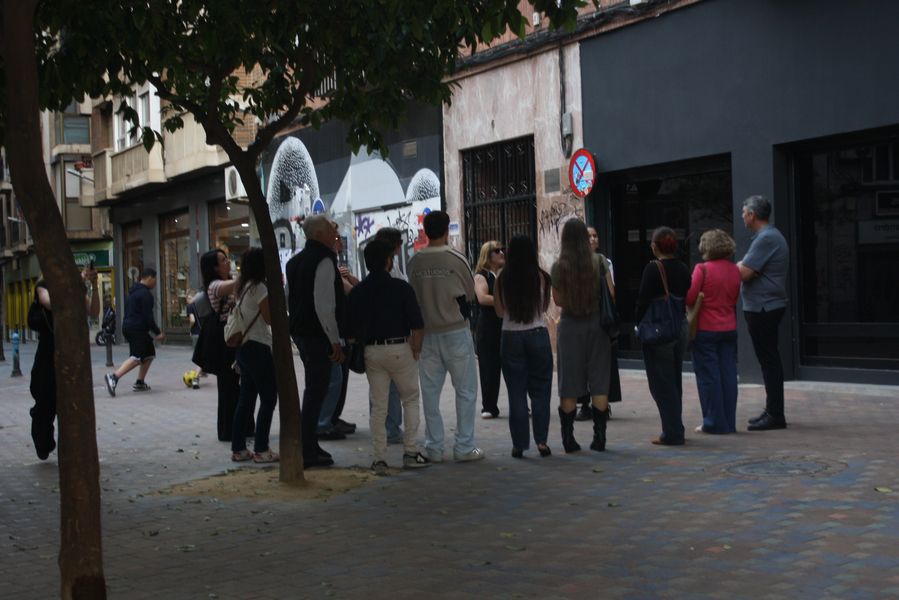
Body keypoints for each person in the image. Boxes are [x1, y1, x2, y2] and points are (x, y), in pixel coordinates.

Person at [346, 238, 431, 474]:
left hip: (372, 351)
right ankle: (411, 452)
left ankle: (379, 458)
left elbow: (349, 329)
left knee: (379, 405)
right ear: (388, 261)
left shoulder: (358, 291)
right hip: (400, 348)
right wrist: (416, 349)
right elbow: (417, 324)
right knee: (410, 399)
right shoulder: (402, 288)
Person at [407, 210, 484, 463]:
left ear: (426, 231)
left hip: (426, 334)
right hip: (455, 331)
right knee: (465, 391)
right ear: (446, 229)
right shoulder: (456, 259)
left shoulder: (414, 262)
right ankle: (464, 446)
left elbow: (412, 296)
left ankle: (434, 448)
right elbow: (470, 293)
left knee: (430, 394)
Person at [286, 215, 346, 469]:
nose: (335, 234)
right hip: (316, 333)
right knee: (316, 390)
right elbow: (324, 304)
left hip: (301, 331)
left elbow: (291, 297)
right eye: (331, 230)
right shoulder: (324, 259)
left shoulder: (295, 261)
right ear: (320, 234)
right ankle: (307, 449)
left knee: (314, 389)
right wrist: (334, 340)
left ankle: (308, 445)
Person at [551, 220, 614, 453]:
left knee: (568, 383)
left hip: (569, 325)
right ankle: (600, 438)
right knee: (599, 380)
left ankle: (568, 439)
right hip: (597, 324)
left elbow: (557, 300)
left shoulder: (558, 266)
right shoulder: (599, 261)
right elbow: (611, 293)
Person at [30, 267, 99, 460]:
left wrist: (93, 286)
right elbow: (52, 303)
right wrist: (76, 284)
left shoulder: (77, 288)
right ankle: (43, 442)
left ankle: (73, 448)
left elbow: (93, 312)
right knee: (45, 403)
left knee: (73, 404)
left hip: (73, 354)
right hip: (48, 353)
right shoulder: (43, 285)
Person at [494, 236, 553, 458]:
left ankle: (519, 444)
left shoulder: (502, 278)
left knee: (516, 393)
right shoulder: (542, 277)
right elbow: (544, 308)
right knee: (541, 391)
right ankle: (542, 441)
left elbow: (499, 312)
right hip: (538, 334)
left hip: (511, 336)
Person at [737, 195, 790, 432]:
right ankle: (772, 410)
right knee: (769, 360)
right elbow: (748, 268)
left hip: (763, 307)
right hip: (765, 306)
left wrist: (743, 266)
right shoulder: (767, 237)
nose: (742, 216)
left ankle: (775, 414)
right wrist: (745, 266)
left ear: (752, 215)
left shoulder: (766, 238)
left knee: (769, 360)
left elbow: (744, 273)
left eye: (744, 212)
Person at [636, 227, 690, 446]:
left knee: (661, 382)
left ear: (655, 246)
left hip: (660, 329)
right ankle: (676, 426)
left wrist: (638, 324)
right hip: (680, 326)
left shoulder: (653, 268)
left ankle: (672, 431)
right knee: (674, 378)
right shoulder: (683, 267)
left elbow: (643, 299)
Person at [194, 249, 253, 441]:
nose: (228, 262)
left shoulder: (228, 282)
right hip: (225, 340)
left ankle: (243, 426)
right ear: (214, 267)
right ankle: (229, 430)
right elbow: (235, 285)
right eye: (223, 260)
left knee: (239, 384)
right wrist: (249, 266)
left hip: (235, 337)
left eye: (227, 258)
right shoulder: (215, 286)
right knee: (228, 386)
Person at [687, 229, 742, 434]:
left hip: (705, 328)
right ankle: (729, 421)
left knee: (709, 376)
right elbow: (735, 297)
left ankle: (713, 422)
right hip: (729, 327)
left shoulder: (702, 269)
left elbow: (690, 297)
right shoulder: (735, 270)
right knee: (728, 375)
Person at [229, 248, 279, 463]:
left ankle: (239, 449)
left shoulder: (243, 287)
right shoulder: (259, 288)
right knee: (268, 398)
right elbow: (269, 319)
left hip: (244, 348)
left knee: (246, 399)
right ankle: (261, 449)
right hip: (258, 347)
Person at [316, 226, 357, 441]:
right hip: (331, 332)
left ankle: (331, 418)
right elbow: (351, 293)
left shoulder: (332, 263)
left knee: (338, 377)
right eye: (336, 237)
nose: (340, 241)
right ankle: (324, 421)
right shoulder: (325, 264)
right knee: (334, 378)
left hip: (336, 330)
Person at [576, 227, 621, 422]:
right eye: (589, 236)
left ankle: (592, 404)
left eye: (595, 235)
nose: (593, 239)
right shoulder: (578, 261)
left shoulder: (603, 261)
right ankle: (594, 405)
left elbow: (611, 291)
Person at [105, 268, 165, 395]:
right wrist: (158, 332)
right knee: (137, 357)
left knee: (149, 353)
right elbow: (148, 317)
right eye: (155, 280)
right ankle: (114, 377)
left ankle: (140, 382)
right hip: (137, 328)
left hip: (129, 326)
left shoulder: (132, 292)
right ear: (150, 278)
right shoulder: (145, 294)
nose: (156, 283)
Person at [374, 227, 407, 444]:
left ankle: (380, 428)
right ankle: (391, 429)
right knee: (393, 387)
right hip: (393, 336)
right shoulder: (391, 271)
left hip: (376, 339)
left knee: (378, 388)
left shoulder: (381, 270)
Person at [474, 240, 505, 419]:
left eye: (502, 250)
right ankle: (489, 406)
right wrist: (506, 301)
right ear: (488, 255)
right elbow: (482, 298)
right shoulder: (482, 275)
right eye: (497, 251)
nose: (501, 253)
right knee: (489, 367)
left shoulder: (504, 273)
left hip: (504, 325)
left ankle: (520, 403)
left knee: (511, 366)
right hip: (488, 327)